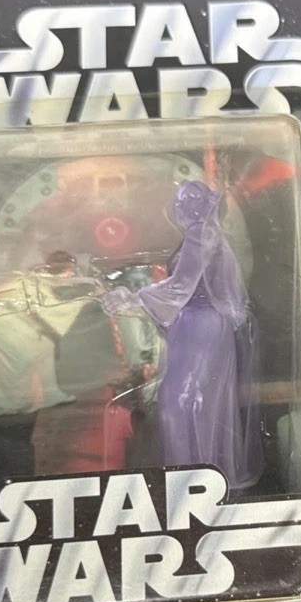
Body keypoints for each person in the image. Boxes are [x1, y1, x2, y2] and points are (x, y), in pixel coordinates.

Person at [102, 180, 262, 488]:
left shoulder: (201, 234)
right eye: (182, 200)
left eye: (189, 200)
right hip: (197, 323)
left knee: (181, 402)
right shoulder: (205, 233)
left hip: (200, 323)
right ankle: (196, 474)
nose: (181, 206)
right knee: (192, 402)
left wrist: (133, 298)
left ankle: (192, 477)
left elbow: (181, 286)